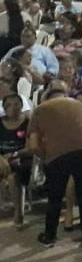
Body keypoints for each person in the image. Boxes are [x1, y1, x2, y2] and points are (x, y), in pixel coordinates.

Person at [27, 93, 82, 248]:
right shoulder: (80, 106)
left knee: (55, 197)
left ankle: (50, 236)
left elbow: (33, 145)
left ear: (46, 98)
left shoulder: (40, 109)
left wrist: (45, 156)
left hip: (57, 155)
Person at [0, 92, 32, 227]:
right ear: (4, 108)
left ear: (21, 106)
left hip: (21, 159)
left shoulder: (28, 123)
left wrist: (13, 154)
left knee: (13, 178)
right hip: (2, 160)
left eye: (16, 104)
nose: (13, 108)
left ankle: (18, 212)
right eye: (9, 105)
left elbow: (30, 148)